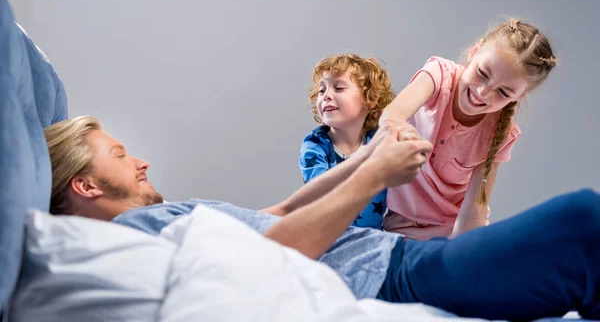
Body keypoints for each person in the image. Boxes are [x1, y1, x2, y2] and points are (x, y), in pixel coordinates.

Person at [44, 116, 600, 321]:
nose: (139, 160)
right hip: (394, 276)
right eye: (119, 154)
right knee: (583, 225)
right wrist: (375, 174)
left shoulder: (171, 216)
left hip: (396, 263)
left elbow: (283, 212)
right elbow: (271, 255)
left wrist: (362, 155)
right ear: (86, 185)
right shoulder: (131, 236)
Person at [381, 18, 557, 239]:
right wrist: (404, 138)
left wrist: (459, 253)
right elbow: (391, 116)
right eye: (483, 73)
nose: (483, 92)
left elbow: (475, 207)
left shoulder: (500, 133)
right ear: (475, 52)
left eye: (503, 93)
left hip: (454, 230)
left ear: (519, 96)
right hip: (401, 225)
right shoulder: (438, 75)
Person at [299, 53, 394, 229]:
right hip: (328, 240)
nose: (326, 95)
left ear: (370, 99)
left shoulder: (380, 142)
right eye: (322, 90)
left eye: (339, 88)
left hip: (373, 239)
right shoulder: (316, 144)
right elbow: (321, 196)